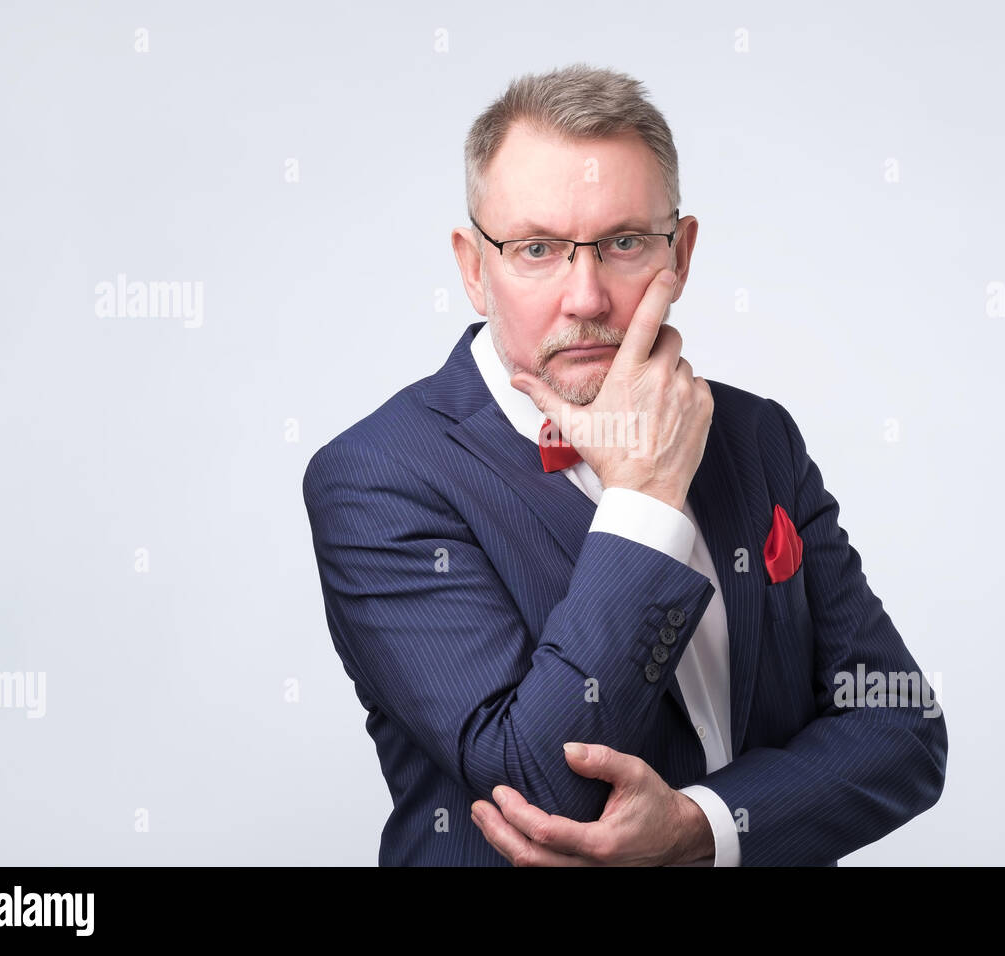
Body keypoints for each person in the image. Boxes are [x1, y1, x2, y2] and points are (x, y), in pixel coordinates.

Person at [302, 63, 947, 866]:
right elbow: (542, 792)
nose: (586, 298)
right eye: (536, 248)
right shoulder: (375, 477)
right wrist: (646, 497)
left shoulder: (757, 437)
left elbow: (902, 730)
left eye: (624, 243)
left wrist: (702, 826)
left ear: (680, 251)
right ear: (474, 268)